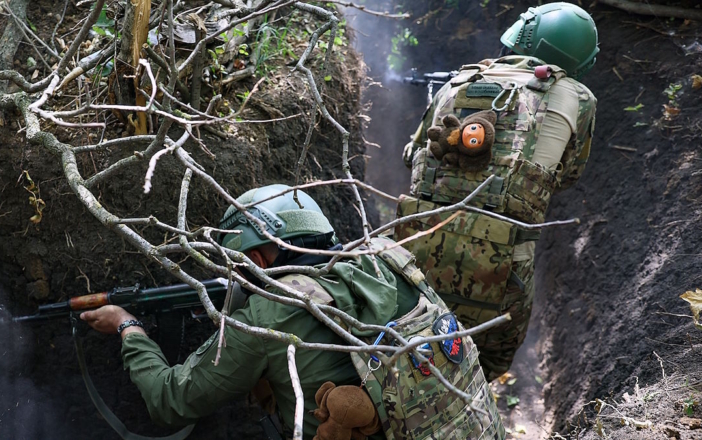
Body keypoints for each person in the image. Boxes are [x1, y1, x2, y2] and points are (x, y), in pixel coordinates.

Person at [81, 184, 504, 439]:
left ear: (260, 259)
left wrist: (127, 326)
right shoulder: (388, 258)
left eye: (243, 265)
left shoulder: (269, 318)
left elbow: (171, 400)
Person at [395, 1, 598, 382]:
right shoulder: (578, 97)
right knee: (483, 367)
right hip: (502, 270)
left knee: (409, 353)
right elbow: (567, 175)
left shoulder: (457, 81)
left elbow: (414, 157)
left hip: (416, 255)